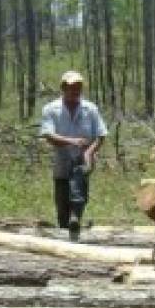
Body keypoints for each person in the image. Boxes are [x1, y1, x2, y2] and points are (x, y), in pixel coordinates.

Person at [39, 70, 107, 240]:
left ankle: (75, 218)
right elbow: (48, 135)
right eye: (71, 87)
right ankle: (65, 229)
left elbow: (101, 135)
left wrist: (90, 152)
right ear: (63, 88)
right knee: (62, 202)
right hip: (61, 157)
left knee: (78, 188)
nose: (75, 90)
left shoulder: (90, 109)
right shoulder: (51, 109)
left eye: (78, 87)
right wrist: (72, 141)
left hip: (82, 157)